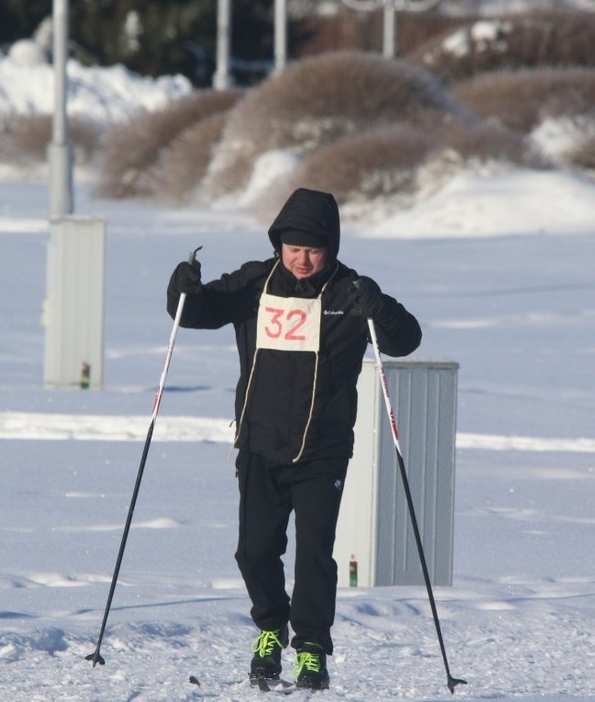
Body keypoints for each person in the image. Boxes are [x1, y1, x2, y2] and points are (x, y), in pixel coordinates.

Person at [166, 187, 422, 690]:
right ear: (279, 245)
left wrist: (383, 308)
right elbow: (193, 313)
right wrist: (182, 289)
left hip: (323, 448)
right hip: (259, 443)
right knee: (254, 552)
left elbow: (405, 340)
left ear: (331, 248)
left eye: (313, 250)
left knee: (313, 555)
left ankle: (311, 648)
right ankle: (270, 627)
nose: (302, 260)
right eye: (293, 248)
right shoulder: (254, 283)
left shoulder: (350, 293)